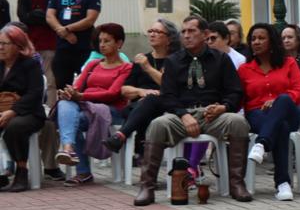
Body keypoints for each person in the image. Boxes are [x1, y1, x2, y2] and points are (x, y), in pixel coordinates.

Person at [132, 17, 252, 206]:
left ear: (205, 35)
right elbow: (167, 96)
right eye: (184, 32)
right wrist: (183, 114)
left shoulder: (221, 59)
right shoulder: (173, 61)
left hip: (212, 114)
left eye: (191, 31)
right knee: (157, 125)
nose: (186, 36)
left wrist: (224, 107)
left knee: (237, 123)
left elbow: (235, 92)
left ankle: (237, 183)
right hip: (181, 114)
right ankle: (147, 187)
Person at [54, 23, 132, 186]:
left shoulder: (126, 67)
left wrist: (81, 96)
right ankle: (68, 149)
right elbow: (77, 86)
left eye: (107, 41)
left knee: (71, 119)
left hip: (112, 109)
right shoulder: (93, 64)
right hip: (86, 105)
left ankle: (83, 172)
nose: (102, 45)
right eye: (100, 41)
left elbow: (113, 94)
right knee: (66, 106)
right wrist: (69, 92)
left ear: (119, 43)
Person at [238, 24, 300, 201]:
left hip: (288, 112)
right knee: (280, 127)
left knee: (283, 100)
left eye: (261, 38)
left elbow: (299, 91)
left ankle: (261, 144)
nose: (256, 42)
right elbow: (240, 98)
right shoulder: (245, 70)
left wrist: (276, 101)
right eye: (253, 39)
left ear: (272, 41)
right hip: (257, 115)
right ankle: (283, 183)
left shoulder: (289, 63)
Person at [103, 18, 181, 154]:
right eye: (150, 31)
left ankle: (123, 137)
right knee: (141, 104)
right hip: (138, 105)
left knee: (150, 100)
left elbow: (170, 86)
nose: (151, 34)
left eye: (157, 31)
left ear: (169, 38)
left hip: (166, 104)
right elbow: (125, 89)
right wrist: (141, 91)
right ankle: (141, 145)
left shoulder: (177, 59)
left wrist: (148, 67)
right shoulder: (142, 59)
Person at [0, 24, 45, 192]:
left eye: (4, 43)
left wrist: (13, 111)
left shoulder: (30, 65)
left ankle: (21, 170)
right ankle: (1, 173)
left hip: (29, 112)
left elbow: (35, 94)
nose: (0, 47)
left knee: (14, 127)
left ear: (18, 46)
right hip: (2, 110)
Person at [46, 0, 101, 90]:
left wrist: (67, 29)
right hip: (62, 49)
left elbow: (90, 19)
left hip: (84, 49)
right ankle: (63, 108)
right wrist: (64, 33)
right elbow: (50, 16)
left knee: (85, 85)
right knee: (62, 86)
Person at [16, 0, 57, 104]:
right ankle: (28, 110)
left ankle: (51, 113)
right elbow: (22, 17)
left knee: (51, 80)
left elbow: (54, 18)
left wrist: (34, 16)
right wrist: (43, 16)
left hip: (49, 44)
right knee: (28, 81)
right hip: (28, 45)